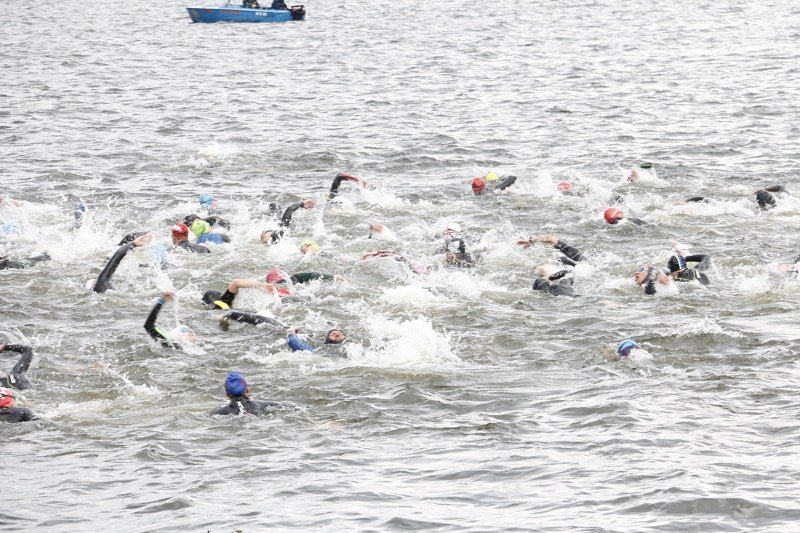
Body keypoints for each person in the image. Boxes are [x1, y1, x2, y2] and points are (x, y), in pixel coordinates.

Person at [211, 371, 284, 416]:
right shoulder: (262, 405)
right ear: (247, 390)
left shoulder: (219, 412)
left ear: (227, 394)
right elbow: (287, 406)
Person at [518, 234, 584, 267]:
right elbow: (550, 238)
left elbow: (550, 238)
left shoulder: (579, 258)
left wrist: (530, 241)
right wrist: (530, 240)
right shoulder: (580, 259)